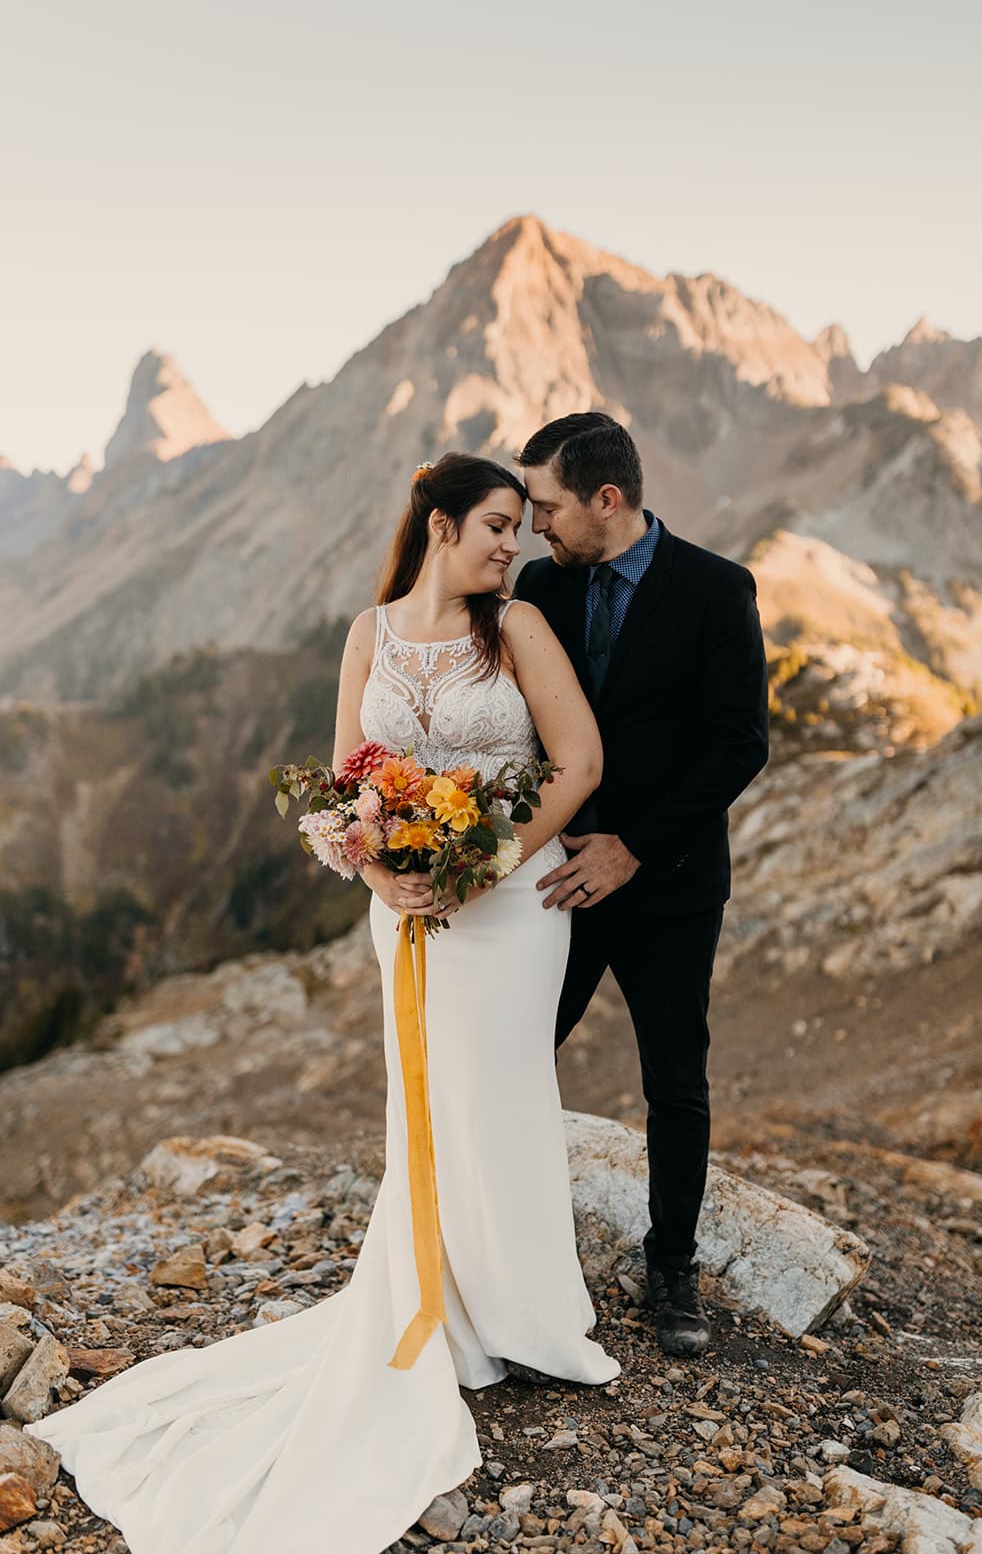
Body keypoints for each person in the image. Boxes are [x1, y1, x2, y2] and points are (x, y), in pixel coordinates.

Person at [25, 452, 620, 1554]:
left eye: (516, 528)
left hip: (511, 905)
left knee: (499, 1093)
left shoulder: (521, 628)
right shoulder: (367, 633)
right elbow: (346, 782)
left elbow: (576, 762)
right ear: (440, 526)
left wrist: (487, 858)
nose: (512, 545)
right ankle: (433, 1303)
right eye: (495, 525)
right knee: (423, 1100)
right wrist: (373, 865)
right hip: (403, 911)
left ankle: (526, 1312)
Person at [512, 413, 769, 1357]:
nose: (536, 526)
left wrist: (637, 846)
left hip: (668, 882)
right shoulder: (540, 586)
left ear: (605, 500)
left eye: (546, 506)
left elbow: (739, 743)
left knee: (674, 1080)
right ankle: (506, 1251)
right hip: (557, 882)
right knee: (513, 1050)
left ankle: (672, 1272)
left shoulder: (714, 588)